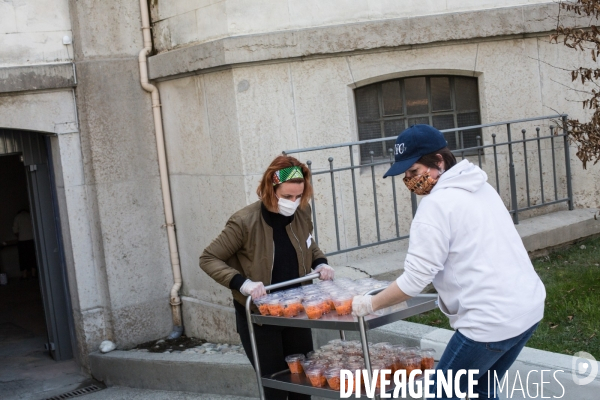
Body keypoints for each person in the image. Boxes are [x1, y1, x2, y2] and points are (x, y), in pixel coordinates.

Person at [352, 125, 546, 399]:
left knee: (440, 393)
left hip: (490, 321)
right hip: (527, 307)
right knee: (480, 389)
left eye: (414, 172)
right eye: (405, 175)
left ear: (439, 161)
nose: (409, 180)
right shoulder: (479, 187)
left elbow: (414, 281)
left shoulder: (435, 207)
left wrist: (370, 304)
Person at [200, 155, 335, 400]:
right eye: (286, 197)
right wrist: (243, 284)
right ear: (269, 190)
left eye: (298, 196)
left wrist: (320, 263)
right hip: (261, 319)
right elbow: (208, 258)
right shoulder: (244, 222)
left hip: (297, 311)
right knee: (275, 387)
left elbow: (308, 243)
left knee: (302, 383)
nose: (293, 202)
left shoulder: (301, 211)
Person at [12, 209, 37, 280]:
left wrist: (19, 236)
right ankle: (33, 274)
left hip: (22, 240)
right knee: (32, 257)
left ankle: (24, 275)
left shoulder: (17, 217)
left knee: (23, 258)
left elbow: (15, 230)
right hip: (32, 239)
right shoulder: (30, 216)